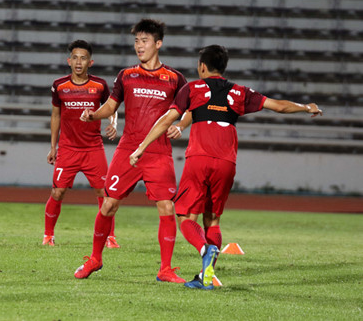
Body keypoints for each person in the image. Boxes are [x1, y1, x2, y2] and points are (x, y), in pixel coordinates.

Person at [130, 44, 323, 289]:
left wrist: (141, 147)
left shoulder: (192, 88)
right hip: (226, 162)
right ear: (223, 68)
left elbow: (167, 118)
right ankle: (205, 277)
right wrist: (306, 108)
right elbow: (278, 105)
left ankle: (204, 250)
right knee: (213, 220)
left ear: (202, 66)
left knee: (186, 217)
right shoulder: (239, 92)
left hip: (199, 159)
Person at [74, 18, 188, 283]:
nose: (139, 45)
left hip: (158, 151)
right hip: (128, 149)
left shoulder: (175, 78)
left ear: (158, 44)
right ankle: (95, 259)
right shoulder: (126, 75)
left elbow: (188, 110)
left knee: (167, 207)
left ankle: (166, 269)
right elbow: (111, 107)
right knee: (109, 204)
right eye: (136, 40)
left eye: (145, 40)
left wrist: (181, 125)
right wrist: (93, 116)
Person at [43, 39, 120, 248]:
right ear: (69, 61)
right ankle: (48, 235)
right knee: (57, 192)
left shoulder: (99, 85)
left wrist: (113, 123)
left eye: (83, 58)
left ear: (90, 62)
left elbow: (111, 107)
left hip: (93, 148)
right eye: (75, 57)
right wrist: (53, 147)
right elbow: (55, 116)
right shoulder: (59, 85)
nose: (79, 62)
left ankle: (110, 237)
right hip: (68, 149)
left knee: (104, 194)